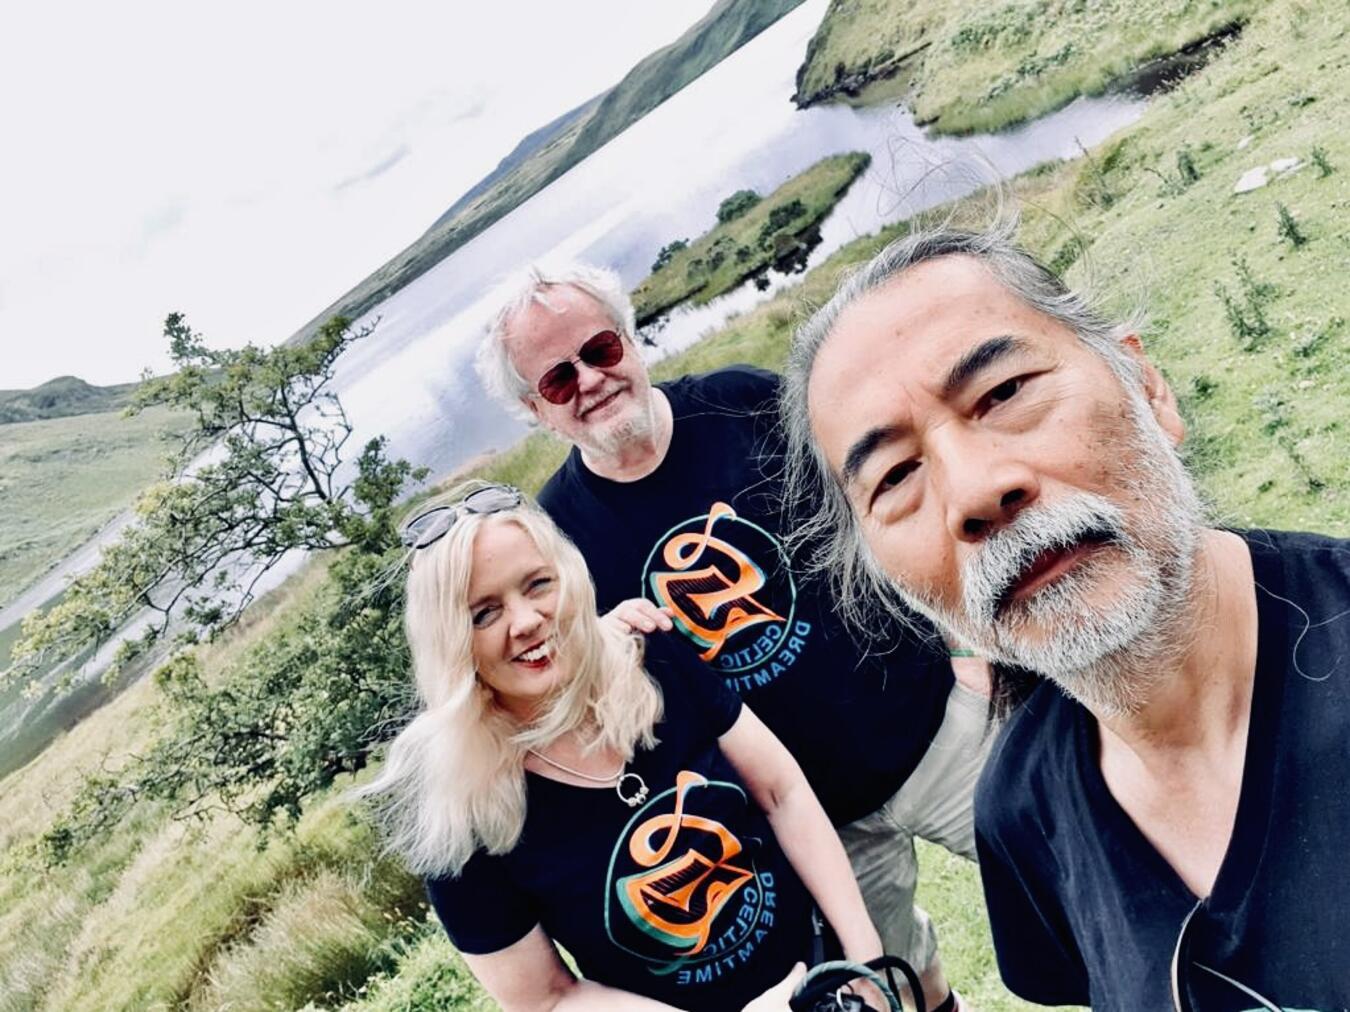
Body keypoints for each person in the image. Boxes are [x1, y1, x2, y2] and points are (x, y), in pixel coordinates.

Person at [779, 223, 1350, 1010]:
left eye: (1005, 391)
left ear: (1148, 386)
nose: (975, 492)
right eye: (896, 475)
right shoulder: (1019, 812)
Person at [475, 261, 991, 1012]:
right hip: (806, 817)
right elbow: (579, 698)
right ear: (533, 408)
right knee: (903, 977)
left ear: (631, 337)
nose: (589, 380)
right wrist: (602, 648)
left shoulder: (746, 403)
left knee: (1082, 867)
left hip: (934, 726)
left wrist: (969, 653)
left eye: (600, 350)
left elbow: (893, 509)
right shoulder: (557, 548)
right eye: (557, 379)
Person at [360, 484, 887, 1012]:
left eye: (538, 583)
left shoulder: (653, 657)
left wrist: (864, 959)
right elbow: (546, 997)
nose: (525, 621)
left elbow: (782, 791)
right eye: (484, 613)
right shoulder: (457, 815)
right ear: (450, 642)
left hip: (828, 981)